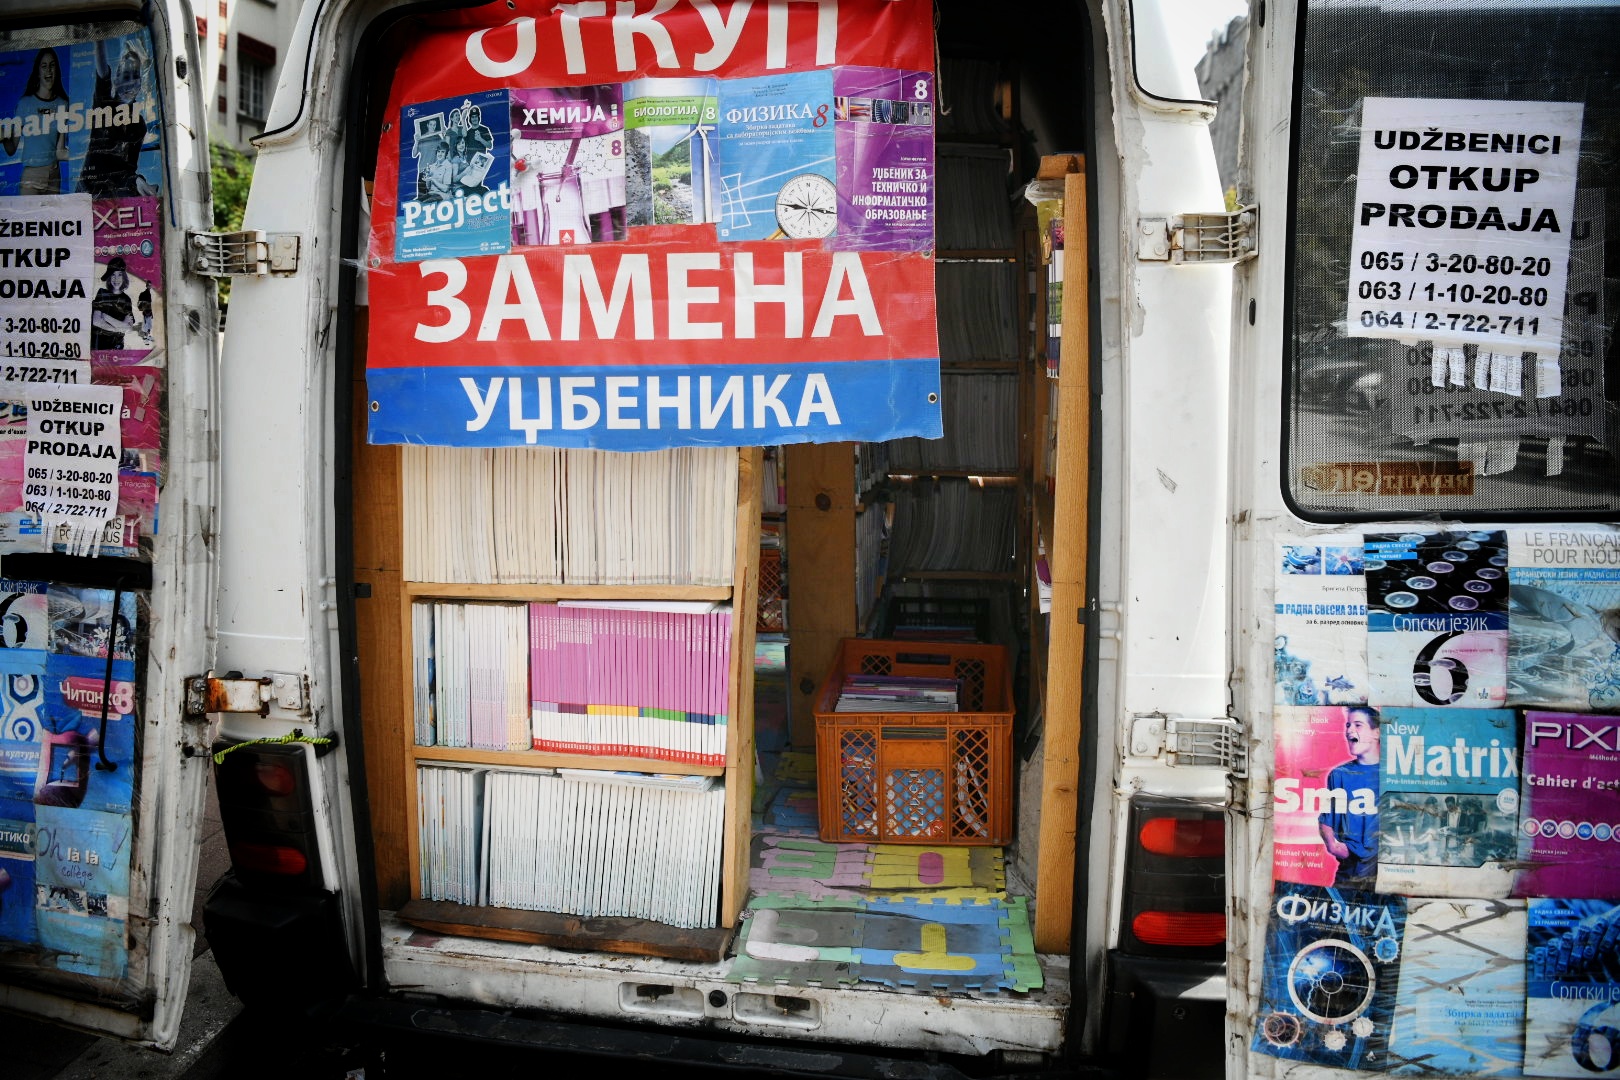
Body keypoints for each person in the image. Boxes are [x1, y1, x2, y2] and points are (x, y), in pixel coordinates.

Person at [77, 36, 158, 197]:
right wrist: (99, 39)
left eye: (135, 77)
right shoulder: (104, 104)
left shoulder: (139, 124)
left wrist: (137, 180)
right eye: (126, 76)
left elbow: (129, 168)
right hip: (87, 191)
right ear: (117, 79)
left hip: (113, 194)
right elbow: (102, 72)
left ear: (140, 84)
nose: (131, 83)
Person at [1317, 705, 1380, 889]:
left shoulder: (1391, 773)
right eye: (1348, 725)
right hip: (1350, 868)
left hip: (1384, 868)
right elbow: (1326, 817)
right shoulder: (1340, 774)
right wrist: (1332, 844)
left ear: (1376, 732)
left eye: (1358, 725)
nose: (1349, 730)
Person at [3, 48, 70, 194]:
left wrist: (89, 153)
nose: (49, 70)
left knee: (56, 217)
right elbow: (11, 149)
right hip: (31, 179)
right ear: (38, 72)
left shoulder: (63, 104)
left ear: (57, 69)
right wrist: (2, 137)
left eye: (52, 65)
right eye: (44, 66)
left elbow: (59, 152)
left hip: (54, 176)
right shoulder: (25, 104)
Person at [92, 257, 141, 352]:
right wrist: (118, 327)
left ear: (124, 277)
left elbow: (128, 328)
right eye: (113, 275)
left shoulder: (126, 299)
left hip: (116, 347)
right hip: (98, 345)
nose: (116, 279)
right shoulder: (102, 293)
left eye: (119, 275)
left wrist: (105, 317)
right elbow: (96, 321)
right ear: (109, 278)